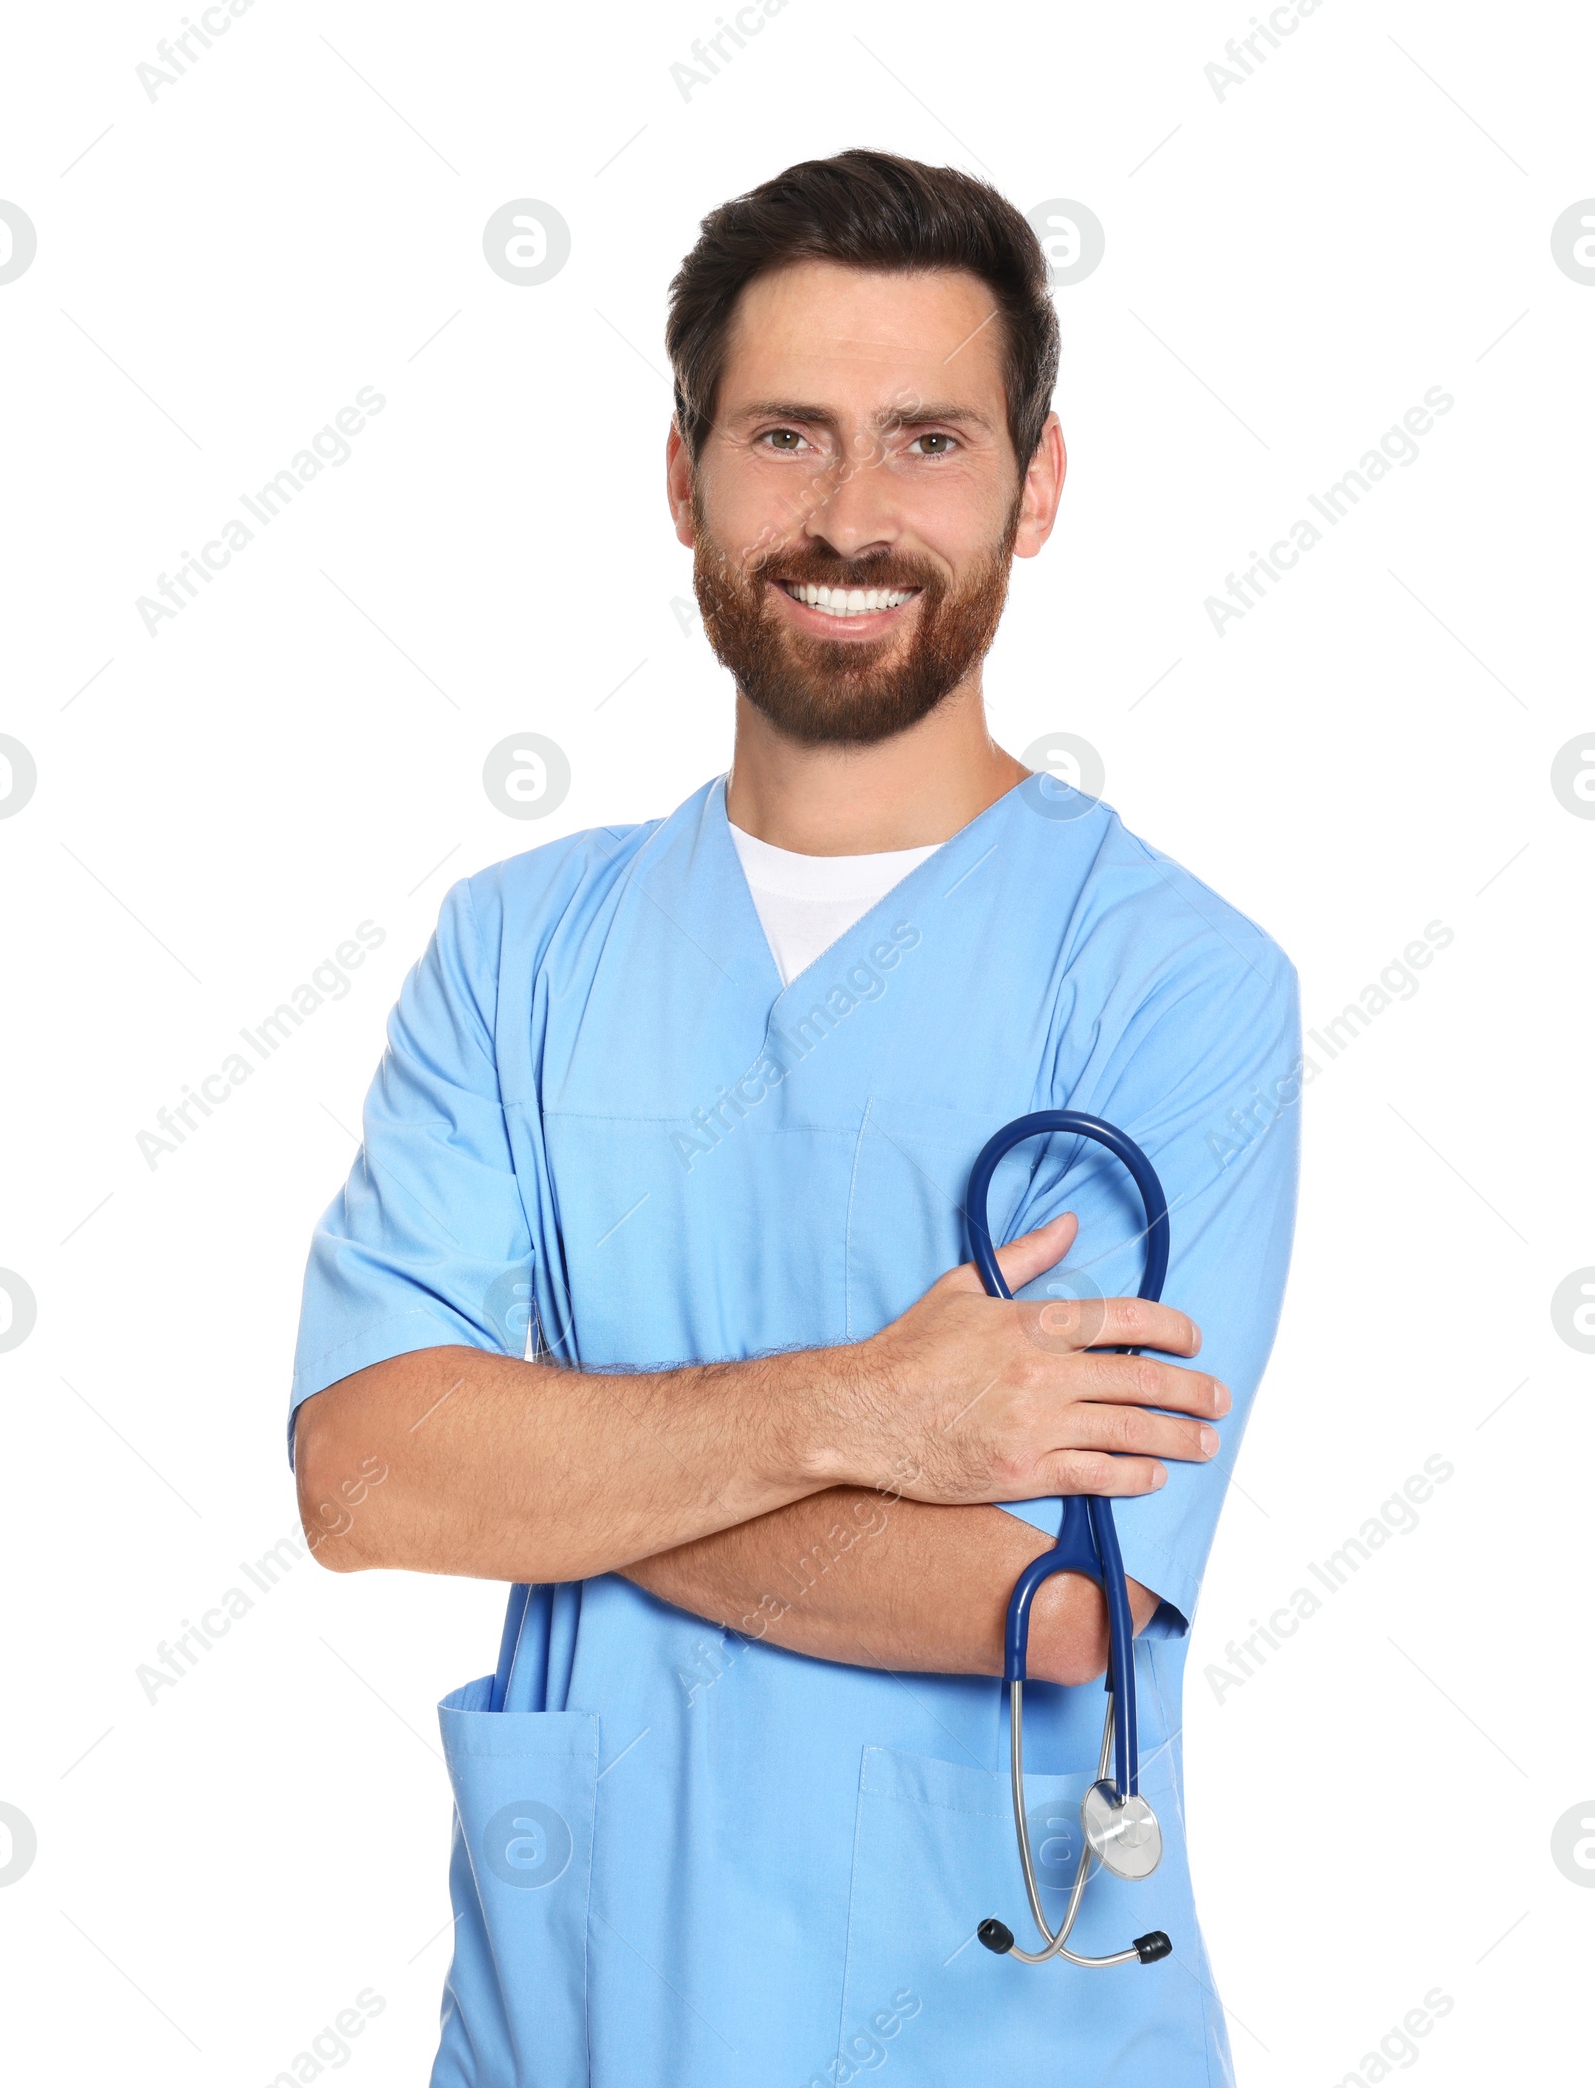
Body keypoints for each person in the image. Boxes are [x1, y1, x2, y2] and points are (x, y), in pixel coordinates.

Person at [290, 148, 1300, 2087]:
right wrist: (861, 1413)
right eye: (784, 436)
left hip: (1004, 2030)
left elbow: (1048, 1602)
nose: (849, 514)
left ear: (1038, 481)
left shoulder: (1164, 981)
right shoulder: (521, 947)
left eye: (927, 439)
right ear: (680, 479)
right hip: (564, 2022)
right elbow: (359, 1479)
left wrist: (547, 1455)